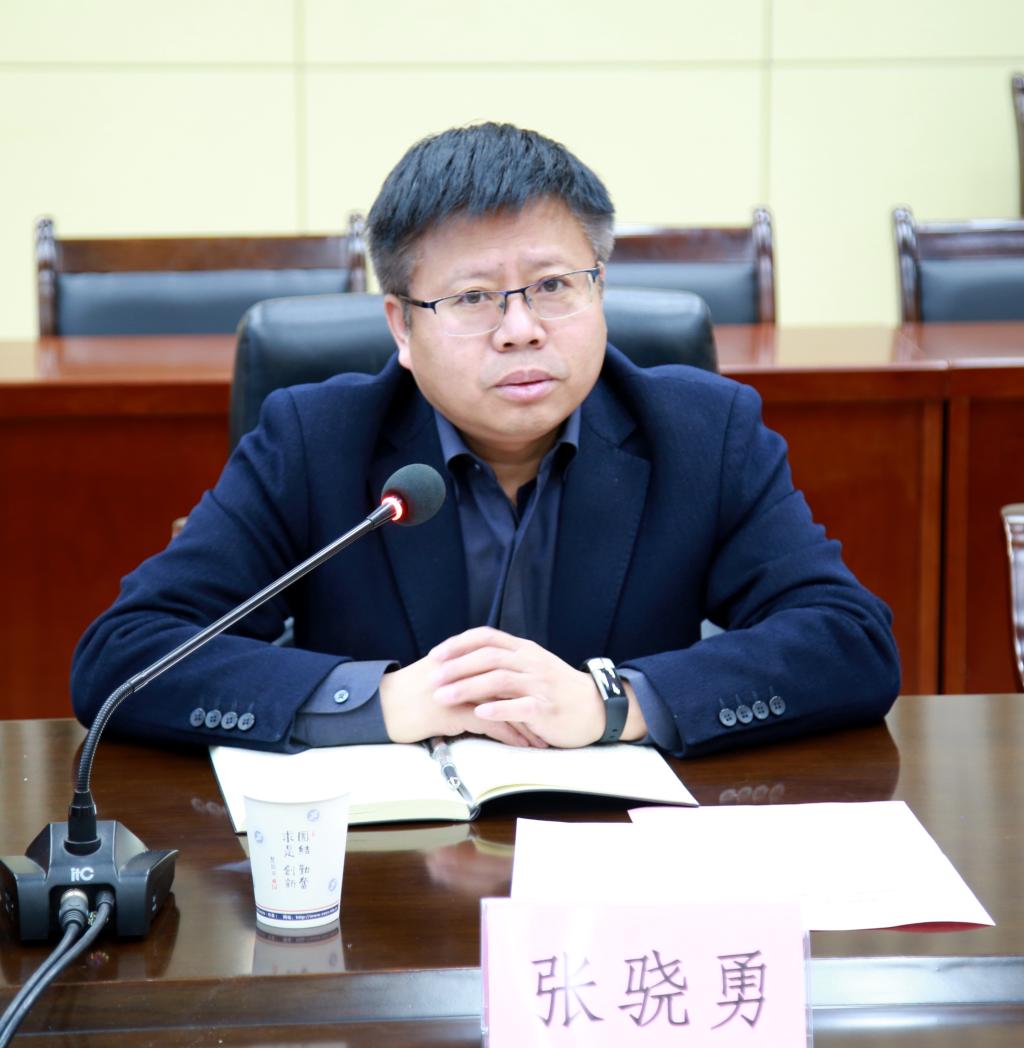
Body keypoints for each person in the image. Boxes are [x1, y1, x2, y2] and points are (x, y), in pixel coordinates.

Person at [71, 123, 900, 756]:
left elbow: (850, 642)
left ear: (600, 289)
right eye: (472, 298)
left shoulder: (703, 432)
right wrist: (378, 702)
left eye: (555, 285)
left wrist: (615, 702)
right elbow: (124, 655)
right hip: (382, 872)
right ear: (401, 326)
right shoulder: (313, 440)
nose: (521, 329)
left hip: (620, 859)